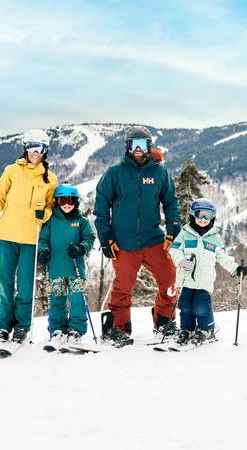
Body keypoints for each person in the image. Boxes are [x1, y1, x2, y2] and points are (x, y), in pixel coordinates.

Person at [93, 125, 181, 346]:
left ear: (149, 146)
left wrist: (173, 230)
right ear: (127, 147)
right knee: (123, 286)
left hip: (154, 239)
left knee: (171, 279)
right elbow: (101, 206)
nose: (138, 149)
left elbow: (171, 202)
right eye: (134, 145)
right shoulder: (115, 172)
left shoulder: (159, 172)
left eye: (142, 145)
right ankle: (118, 329)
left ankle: (164, 322)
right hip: (124, 243)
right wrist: (106, 238)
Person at [0, 129, 58, 344]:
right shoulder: (11, 171)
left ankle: (22, 326)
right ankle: (3, 328)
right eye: (32, 146)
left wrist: (46, 213)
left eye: (40, 147)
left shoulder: (50, 179)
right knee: (6, 286)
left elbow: (53, 208)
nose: (36, 151)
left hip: (31, 240)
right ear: (25, 147)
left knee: (25, 286)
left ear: (46, 150)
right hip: (6, 236)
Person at [169, 198, 247, 345]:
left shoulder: (214, 238)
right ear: (193, 215)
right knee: (185, 306)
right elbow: (174, 250)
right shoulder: (185, 234)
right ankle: (187, 329)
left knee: (201, 306)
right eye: (200, 215)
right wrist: (181, 261)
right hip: (186, 279)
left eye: (208, 215)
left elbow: (223, 257)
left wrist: (236, 269)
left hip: (204, 281)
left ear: (213, 217)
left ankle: (206, 330)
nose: (204, 219)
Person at [37, 184, 95, 346]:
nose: (66, 204)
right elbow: (43, 239)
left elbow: (89, 238)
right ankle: (57, 329)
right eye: (63, 200)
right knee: (57, 300)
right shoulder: (50, 221)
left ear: (76, 202)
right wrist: (43, 251)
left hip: (75, 268)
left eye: (70, 200)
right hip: (55, 269)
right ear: (57, 201)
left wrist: (81, 248)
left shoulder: (81, 221)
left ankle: (76, 329)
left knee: (77, 300)